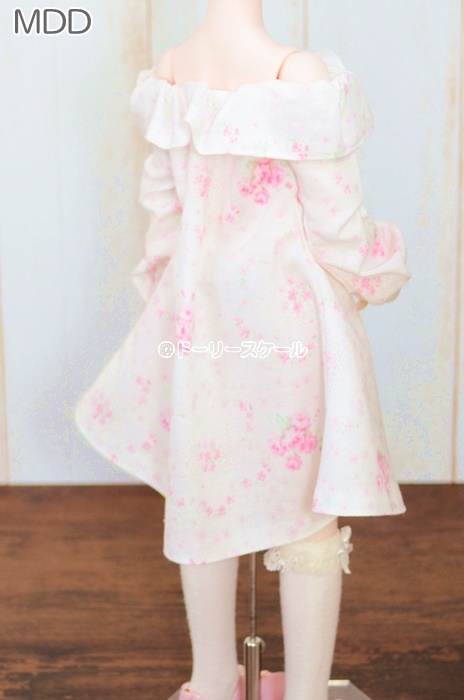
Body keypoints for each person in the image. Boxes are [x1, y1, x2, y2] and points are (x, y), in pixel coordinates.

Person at [74, 1, 412, 698]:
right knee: (309, 511)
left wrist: (172, 296)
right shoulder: (298, 75)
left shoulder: (172, 75)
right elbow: (337, 225)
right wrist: (376, 268)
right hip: (288, 323)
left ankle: (210, 680)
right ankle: (307, 692)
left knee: (205, 489)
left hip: (202, 319)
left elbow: (164, 214)